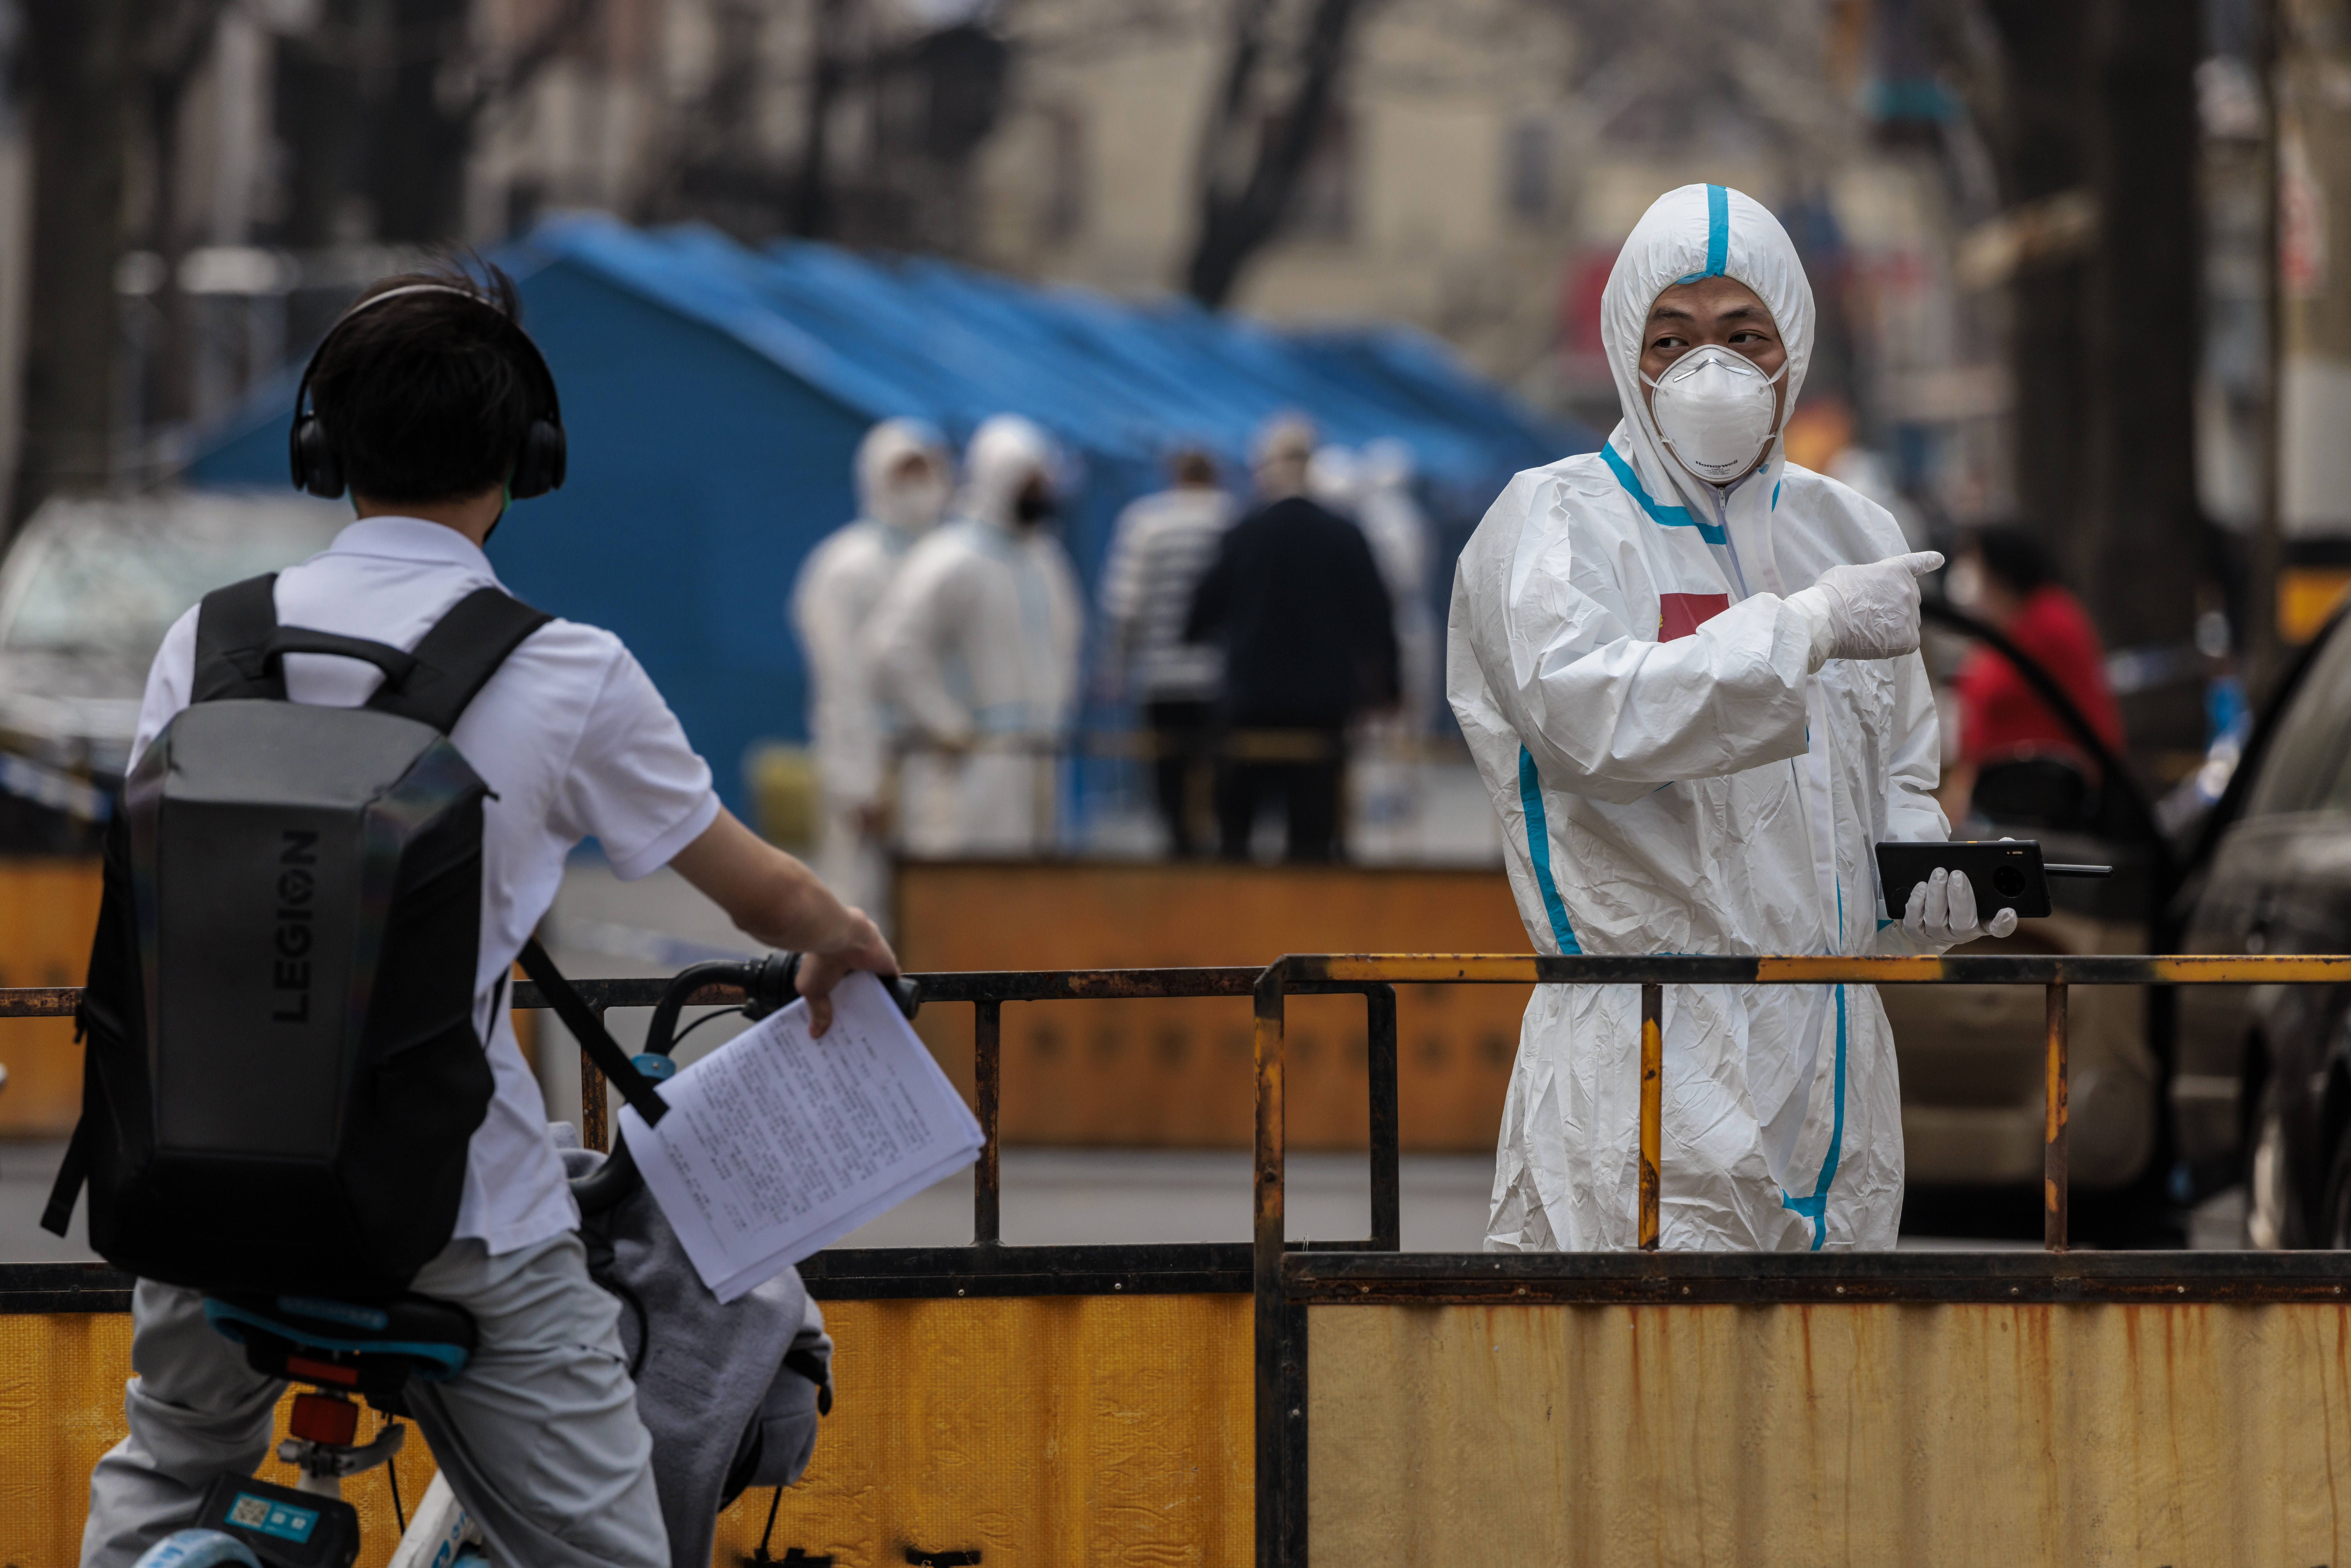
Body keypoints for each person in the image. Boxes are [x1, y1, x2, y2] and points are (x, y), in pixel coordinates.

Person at [79, 267, 899, 1568]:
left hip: (197, 1189)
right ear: (528, 460)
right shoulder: (567, 669)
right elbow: (760, 891)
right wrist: (840, 935)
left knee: (169, 1467)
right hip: (454, 1218)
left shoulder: (208, 641)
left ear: (322, 448)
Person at [1447, 183, 2009, 1255]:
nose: (1710, 370)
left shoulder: (1847, 530)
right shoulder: (1556, 524)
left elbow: (1889, 777)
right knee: (1635, 1406)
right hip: (1643, 1066)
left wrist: (1915, 891)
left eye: (1742, 335)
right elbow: (1588, 724)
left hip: (1834, 1070)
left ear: (1791, 344)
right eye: (1672, 339)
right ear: (1625, 350)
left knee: (1826, 1410)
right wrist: (1798, 627)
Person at [869, 413, 1083, 857]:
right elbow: (894, 647)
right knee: (974, 883)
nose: (1039, 496)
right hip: (977, 764)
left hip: (1040, 755)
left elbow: (1068, 642)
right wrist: (948, 725)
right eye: (1029, 484)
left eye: (1043, 484)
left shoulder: (1045, 560)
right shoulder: (951, 559)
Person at [1187, 415, 1397, 862]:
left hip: (1250, 704)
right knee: (1313, 834)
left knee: (1237, 832)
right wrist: (1390, 689)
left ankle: (1239, 923)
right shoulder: (1344, 534)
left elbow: (1199, 615)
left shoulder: (1245, 533)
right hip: (1323, 706)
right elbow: (1378, 619)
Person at [790, 419, 953, 916]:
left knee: (929, 905)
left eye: (925, 471)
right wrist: (857, 777)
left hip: (933, 759)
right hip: (871, 759)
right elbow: (839, 679)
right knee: (861, 904)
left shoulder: (948, 559)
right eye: (905, 473)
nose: (918, 487)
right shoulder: (846, 566)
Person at [1097, 446, 1237, 856]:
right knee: (1221, 774)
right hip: (1221, 676)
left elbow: (1124, 604)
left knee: (1169, 777)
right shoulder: (1233, 519)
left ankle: (1180, 854)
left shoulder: (1145, 522)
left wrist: (1115, 666)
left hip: (1160, 677)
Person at [1943, 525, 2126, 822]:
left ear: (2001, 570)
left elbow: (1989, 691)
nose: (1964, 577)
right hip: (2006, 801)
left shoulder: (2047, 620)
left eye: (1973, 563)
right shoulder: (2005, 628)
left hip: (2050, 803)